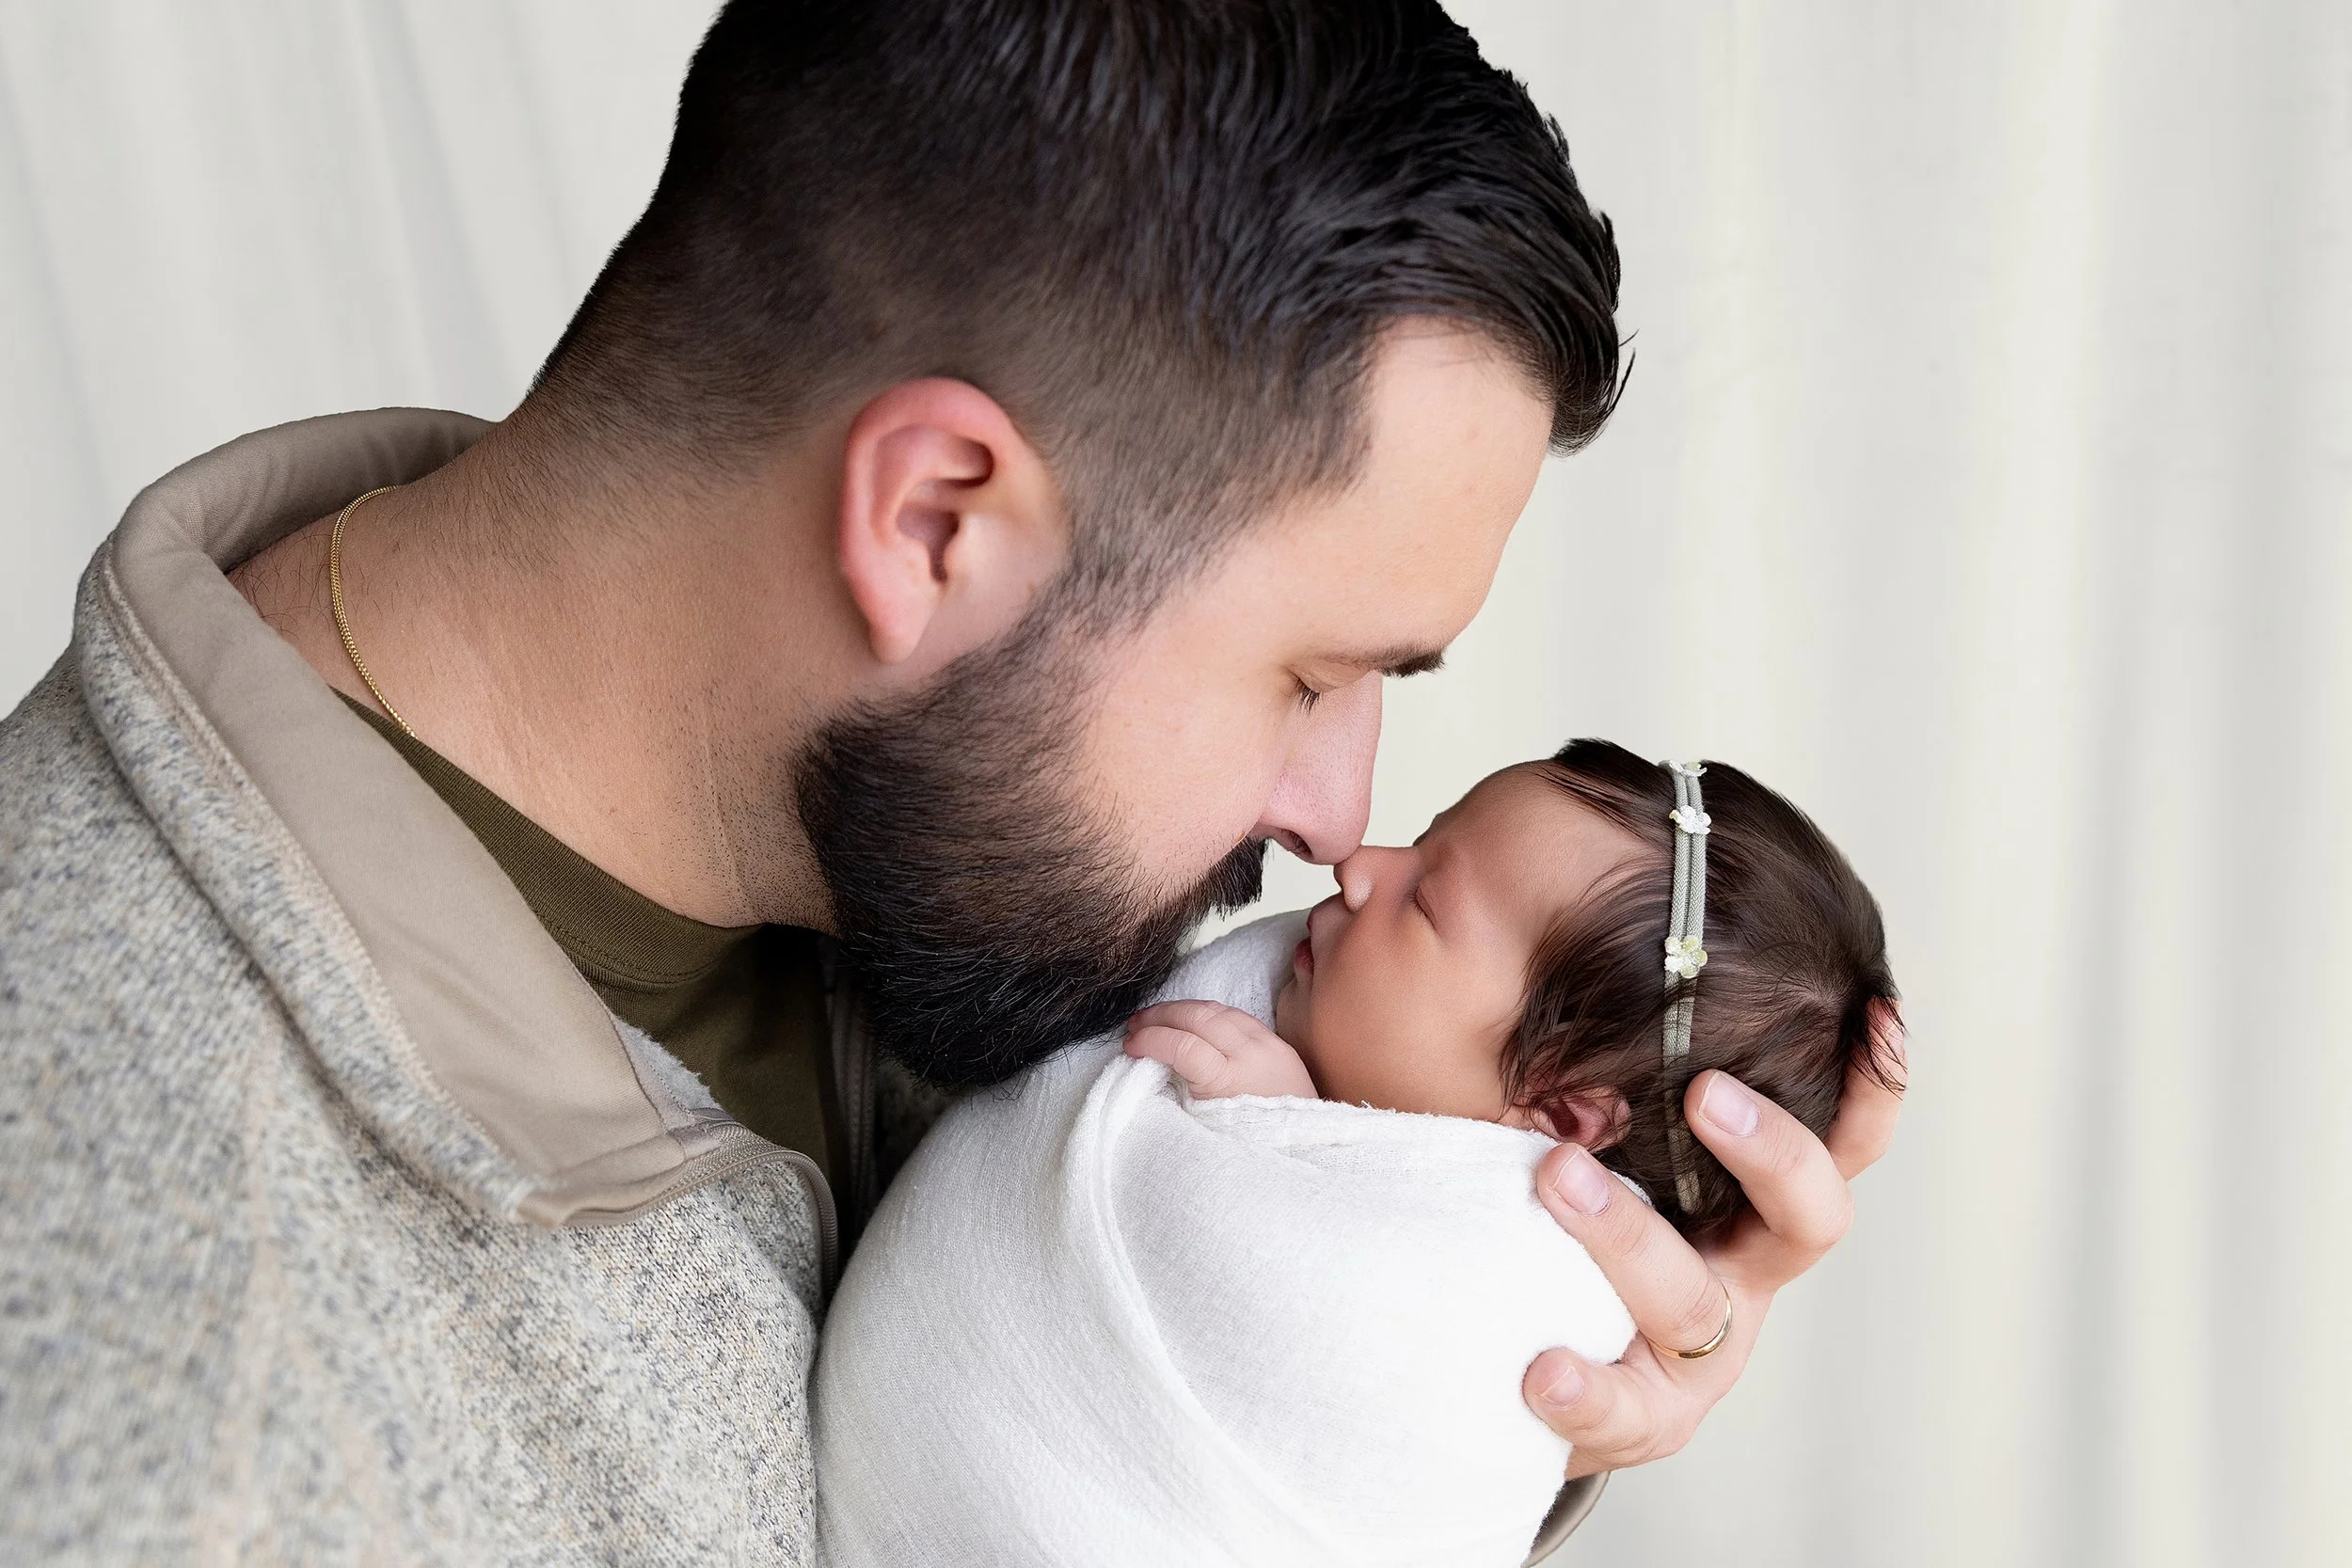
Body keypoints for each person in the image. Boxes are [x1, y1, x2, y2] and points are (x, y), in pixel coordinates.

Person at [0, 2, 1902, 1561]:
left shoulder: (929, 861)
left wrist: (1483, 1369)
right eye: (1311, 674)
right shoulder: (192, 1443)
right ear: (931, 522)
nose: (1336, 818)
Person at [813, 742, 1900, 1565]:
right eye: (1419, 839)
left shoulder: (1513, 1284)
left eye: (1423, 898)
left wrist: (1267, 1140)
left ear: (1566, 1114)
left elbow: (1361, 1363)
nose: (1358, 863)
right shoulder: (1292, 995)